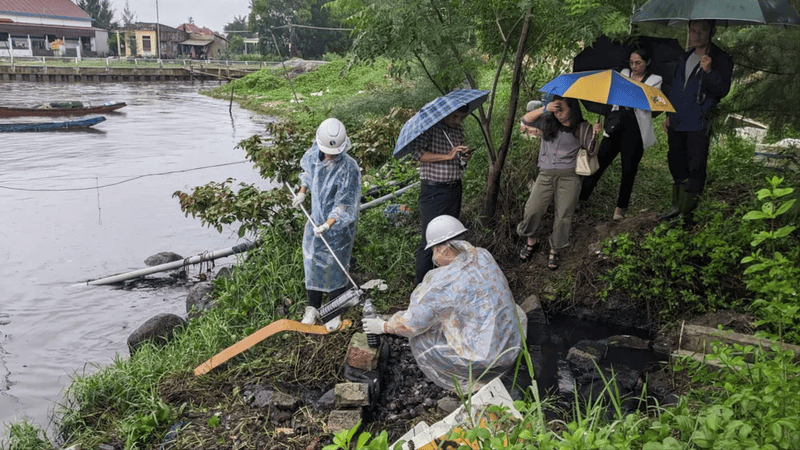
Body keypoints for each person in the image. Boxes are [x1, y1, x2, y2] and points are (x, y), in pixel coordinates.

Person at [361, 215, 527, 391]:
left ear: (445, 250)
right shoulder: (482, 255)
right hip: (510, 348)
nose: (434, 257)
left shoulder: (443, 282)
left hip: (483, 360)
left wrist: (384, 326)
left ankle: (468, 384)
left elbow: (411, 325)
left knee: (420, 338)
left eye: (434, 250)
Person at [659, 20, 733, 222]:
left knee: (696, 165)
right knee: (675, 162)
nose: (696, 35)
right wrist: (668, 114)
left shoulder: (720, 59)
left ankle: (688, 212)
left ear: (712, 31)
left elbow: (722, 90)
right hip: (677, 119)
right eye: (693, 31)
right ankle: (677, 206)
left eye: (702, 31)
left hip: (699, 121)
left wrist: (709, 71)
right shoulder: (684, 57)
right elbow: (675, 88)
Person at [517, 95, 601, 269]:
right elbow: (525, 120)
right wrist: (546, 109)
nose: (559, 114)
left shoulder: (583, 127)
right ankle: (531, 240)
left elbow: (592, 152)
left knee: (563, 214)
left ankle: (555, 249)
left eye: (561, 109)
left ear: (572, 108)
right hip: (545, 175)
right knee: (533, 208)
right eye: (556, 110)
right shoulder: (548, 121)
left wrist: (595, 135)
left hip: (569, 177)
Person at [580, 47, 663, 221]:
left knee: (629, 170)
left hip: (636, 129)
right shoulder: (623, 72)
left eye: (638, 63)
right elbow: (613, 96)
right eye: (632, 62)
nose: (634, 66)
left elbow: (648, 102)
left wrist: (629, 90)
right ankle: (581, 197)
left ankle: (619, 208)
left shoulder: (655, 80)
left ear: (647, 62)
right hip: (615, 126)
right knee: (599, 162)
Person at [292, 118, 361, 325]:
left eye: (335, 152)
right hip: (315, 222)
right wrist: (302, 192)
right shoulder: (314, 155)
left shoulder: (349, 168)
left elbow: (345, 204)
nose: (331, 155)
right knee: (312, 262)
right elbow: (307, 174)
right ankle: (312, 308)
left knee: (335, 265)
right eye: (328, 151)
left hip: (338, 228)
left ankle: (334, 311)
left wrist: (329, 224)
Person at [411, 106, 472, 285]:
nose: (458, 121)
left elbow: (459, 162)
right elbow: (418, 154)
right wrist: (447, 155)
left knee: (451, 235)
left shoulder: (458, 130)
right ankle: (420, 286)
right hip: (433, 191)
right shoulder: (431, 128)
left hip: (454, 188)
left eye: (462, 117)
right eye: (455, 117)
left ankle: (444, 282)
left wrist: (463, 158)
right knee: (430, 238)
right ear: (447, 113)